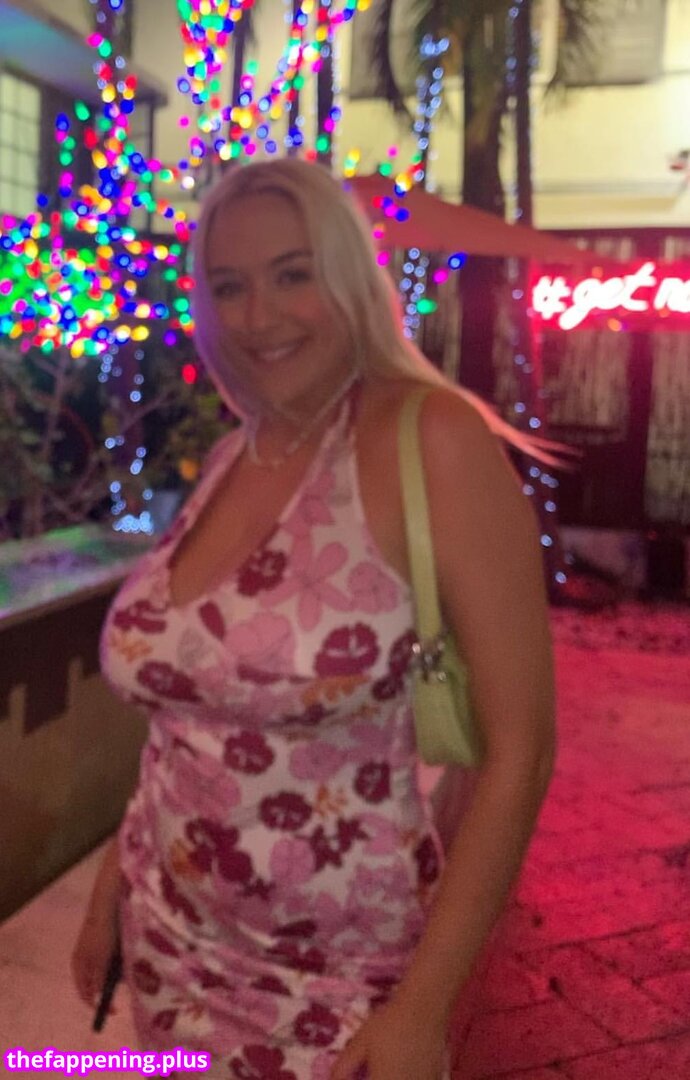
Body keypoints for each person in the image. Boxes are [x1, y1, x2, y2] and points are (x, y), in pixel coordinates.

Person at [72, 157, 555, 1080]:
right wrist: (112, 891)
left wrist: (423, 1009)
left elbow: (520, 752)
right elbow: (183, 719)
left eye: (293, 274)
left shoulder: (430, 438)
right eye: (229, 287)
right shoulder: (234, 453)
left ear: (349, 278)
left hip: (339, 984)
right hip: (169, 948)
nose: (258, 316)